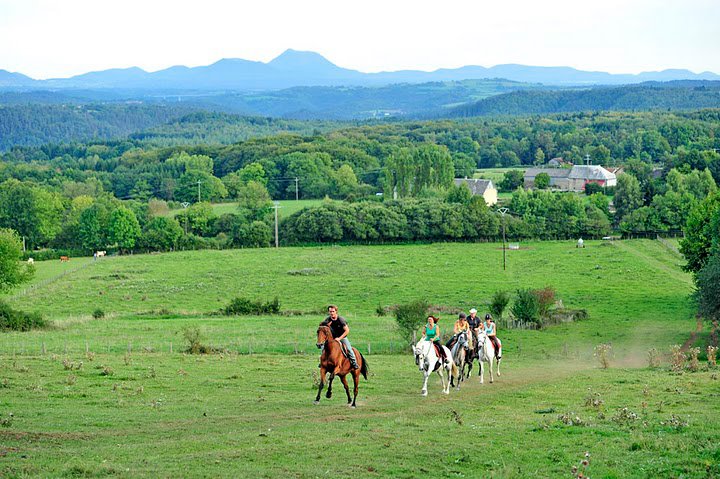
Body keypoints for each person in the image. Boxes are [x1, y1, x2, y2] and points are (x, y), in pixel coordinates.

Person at [320, 305, 358, 369]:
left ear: (336, 311)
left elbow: (347, 330)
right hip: (332, 338)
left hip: (342, 337)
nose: (331, 313)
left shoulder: (341, 320)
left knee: (349, 349)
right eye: (330, 311)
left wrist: (339, 338)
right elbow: (323, 328)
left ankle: (354, 363)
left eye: (333, 311)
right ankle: (322, 362)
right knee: (323, 347)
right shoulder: (328, 320)